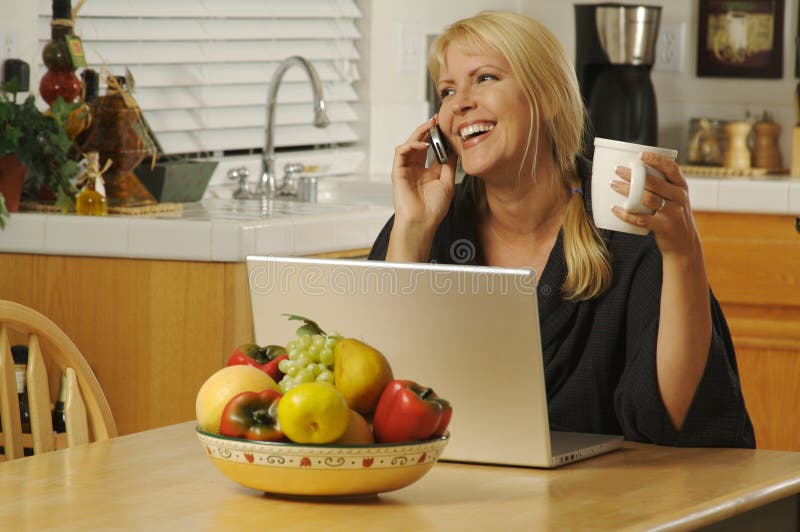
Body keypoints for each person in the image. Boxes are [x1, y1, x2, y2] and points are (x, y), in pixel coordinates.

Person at [368, 11, 755, 448]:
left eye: (486, 78)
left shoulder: (626, 224)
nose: (459, 103)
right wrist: (413, 231)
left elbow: (669, 419)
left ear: (549, 96)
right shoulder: (429, 222)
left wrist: (684, 254)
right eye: (447, 90)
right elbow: (373, 399)